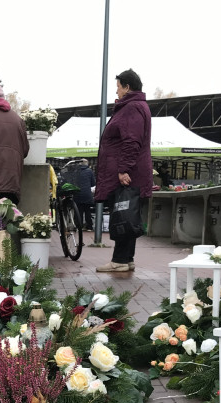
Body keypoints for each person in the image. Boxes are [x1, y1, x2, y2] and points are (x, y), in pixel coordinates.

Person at [93, 69, 153, 273]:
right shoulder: (137, 106)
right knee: (128, 213)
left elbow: (131, 141)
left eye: (118, 86)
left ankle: (119, 260)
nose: (116, 91)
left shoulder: (132, 108)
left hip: (127, 172)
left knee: (122, 213)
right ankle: (127, 259)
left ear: (127, 87)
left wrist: (123, 169)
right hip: (133, 171)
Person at [64, 159, 96, 229]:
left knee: (79, 211)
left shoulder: (76, 171)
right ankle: (89, 226)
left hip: (77, 193)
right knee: (87, 211)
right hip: (87, 194)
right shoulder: (90, 171)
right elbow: (93, 184)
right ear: (87, 164)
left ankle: (79, 226)